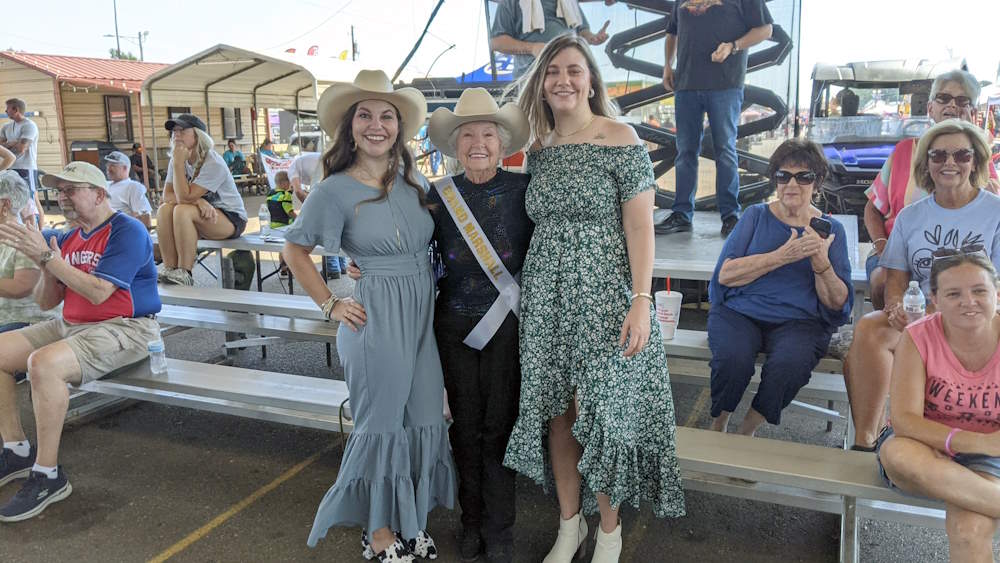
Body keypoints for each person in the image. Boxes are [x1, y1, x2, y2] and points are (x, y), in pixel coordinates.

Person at [502, 35, 685, 563]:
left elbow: (640, 228)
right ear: (541, 83)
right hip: (548, 298)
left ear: (591, 80)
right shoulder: (536, 151)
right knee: (557, 414)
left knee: (599, 414)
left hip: (607, 296)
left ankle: (608, 529)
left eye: (574, 70)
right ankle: (568, 526)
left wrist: (641, 299)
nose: (563, 80)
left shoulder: (620, 137)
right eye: (553, 71)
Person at [284, 69, 456, 562]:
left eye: (387, 116)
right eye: (365, 115)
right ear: (350, 126)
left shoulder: (413, 180)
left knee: (424, 417)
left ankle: (411, 518)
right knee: (380, 423)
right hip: (374, 315)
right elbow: (296, 251)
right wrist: (332, 303)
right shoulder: (333, 189)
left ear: (400, 128)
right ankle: (378, 530)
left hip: (422, 315)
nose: (376, 125)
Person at [0, 161, 160, 522]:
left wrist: (46, 257)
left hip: (127, 328)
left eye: (70, 190)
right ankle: (16, 449)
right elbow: (45, 302)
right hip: (71, 324)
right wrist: (45, 265)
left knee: (44, 364)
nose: (62, 197)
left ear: (99, 194)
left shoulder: (126, 230)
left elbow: (100, 292)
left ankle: (48, 474)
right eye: (59, 191)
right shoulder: (68, 237)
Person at [845, 119, 1000, 451]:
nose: (950, 163)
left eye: (961, 155)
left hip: (977, 321)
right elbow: (896, 279)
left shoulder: (995, 212)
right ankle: (865, 442)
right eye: (938, 155)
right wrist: (896, 306)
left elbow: (996, 287)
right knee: (869, 330)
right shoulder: (910, 217)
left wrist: (946, 309)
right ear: (926, 164)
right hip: (922, 319)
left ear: (975, 161)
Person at [425, 88, 531, 563]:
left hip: (508, 328)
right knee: (464, 428)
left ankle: (500, 530)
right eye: (468, 135)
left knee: (500, 427)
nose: (478, 143)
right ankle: (470, 523)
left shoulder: (524, 189)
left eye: (488, 133)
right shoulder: (437, 195)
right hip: (453, 327)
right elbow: (405, 242)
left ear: (502, 140)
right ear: (456, 144)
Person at [708, 139, 853, 435]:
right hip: (741, 313)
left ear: (818, 182)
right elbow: (725, 275)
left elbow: (838, 303)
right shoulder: (755, 216)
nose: (792, 184)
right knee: (733, 359)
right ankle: (719, 422)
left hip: (799, 321)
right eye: (783, 175)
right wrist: (780, 257)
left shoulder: (831, 231)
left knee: (790, 364)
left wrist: (821, 263)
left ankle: (747, 430)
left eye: (804, 177)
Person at [876, 251, 1000, 562]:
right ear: (935, 299)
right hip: (927, 450)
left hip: (992, 460)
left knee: (968, 533)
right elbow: (904, 420)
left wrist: (987, 448)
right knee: (897, 453)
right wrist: (980, 441)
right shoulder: (918, 336)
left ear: (997, 293)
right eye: (954, 293)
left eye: (979, 290)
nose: (968, 301)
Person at [864, 70, 1000, 310]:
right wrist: (882, 244)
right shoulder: (905, 152)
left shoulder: (979, 158)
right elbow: (873, 208)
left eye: (962, 100)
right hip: (901, 253)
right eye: (943, 98)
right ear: (930, 108)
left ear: (973, 111)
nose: (952, 105)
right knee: (883, 281)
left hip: (965, 266)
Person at [658, 1, 774, 237]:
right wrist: (668, 66)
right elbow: (672, 32)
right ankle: (681, 214)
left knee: (725, 150)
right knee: (685, 151)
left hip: (726, 84)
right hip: (687, 84)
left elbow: (765, 29)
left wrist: (734, 46)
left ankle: (730, 215)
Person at [155, 114, 248, 286]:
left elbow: (184, 198)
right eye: (174, 131)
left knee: (182, 209)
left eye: (182, 130)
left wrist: (178, 166)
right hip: (201, 215)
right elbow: (167, 196)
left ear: (198, 135)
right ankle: (170, 268)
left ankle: (185, 272)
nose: (176, 134)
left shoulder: (213, 162)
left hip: (231, 218)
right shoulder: (177, 159)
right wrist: (198, 201)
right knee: (164, 210)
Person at [490, 0, 610, 80]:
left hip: (570, 74)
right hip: (532, 77)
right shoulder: (510, 2)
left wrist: (592, 38)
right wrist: (532, 48)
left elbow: (582, 31)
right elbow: (496, 42)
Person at [288, 149, 347, 278]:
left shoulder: (291, 170)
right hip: (336, 169)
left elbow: (298, 192)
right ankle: (342, 266)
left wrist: (310, 210)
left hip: (326, 171)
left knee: (325, 225)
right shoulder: (304, 163)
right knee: (335, 224)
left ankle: (332, 268)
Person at [0, 98, 44, 226]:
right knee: (12, 200)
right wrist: (14, 142)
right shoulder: (6, 127)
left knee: (30, 201)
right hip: (9, 168)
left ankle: (39, 232)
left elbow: (21, 148)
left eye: (7, 108)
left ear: (15, 109)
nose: (5, 111)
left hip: (26, 168)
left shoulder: (29, 126)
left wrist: (8, 144)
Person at [103, 151, 153, 229]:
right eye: (108, 165)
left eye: (113, 165)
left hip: (117, 232)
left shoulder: (133, 187)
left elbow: (146, 219)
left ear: (125, 168)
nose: (108, 168)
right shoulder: (104, 184)